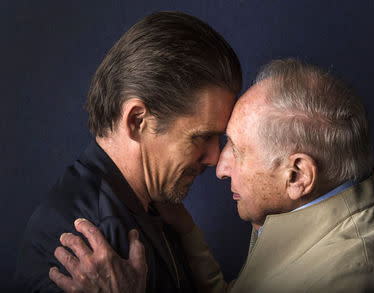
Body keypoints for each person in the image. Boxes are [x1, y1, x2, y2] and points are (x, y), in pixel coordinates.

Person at [49, 58, 374, 292]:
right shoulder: (304, 211)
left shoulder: (358, 278)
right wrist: (188, 235)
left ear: (297, 175)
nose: (219, 165)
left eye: (236, 148)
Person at [15, 11, 242, 293]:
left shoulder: (153, 206)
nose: (215, 158)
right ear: (136, 121)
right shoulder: (89, 245)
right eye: (203, 137)